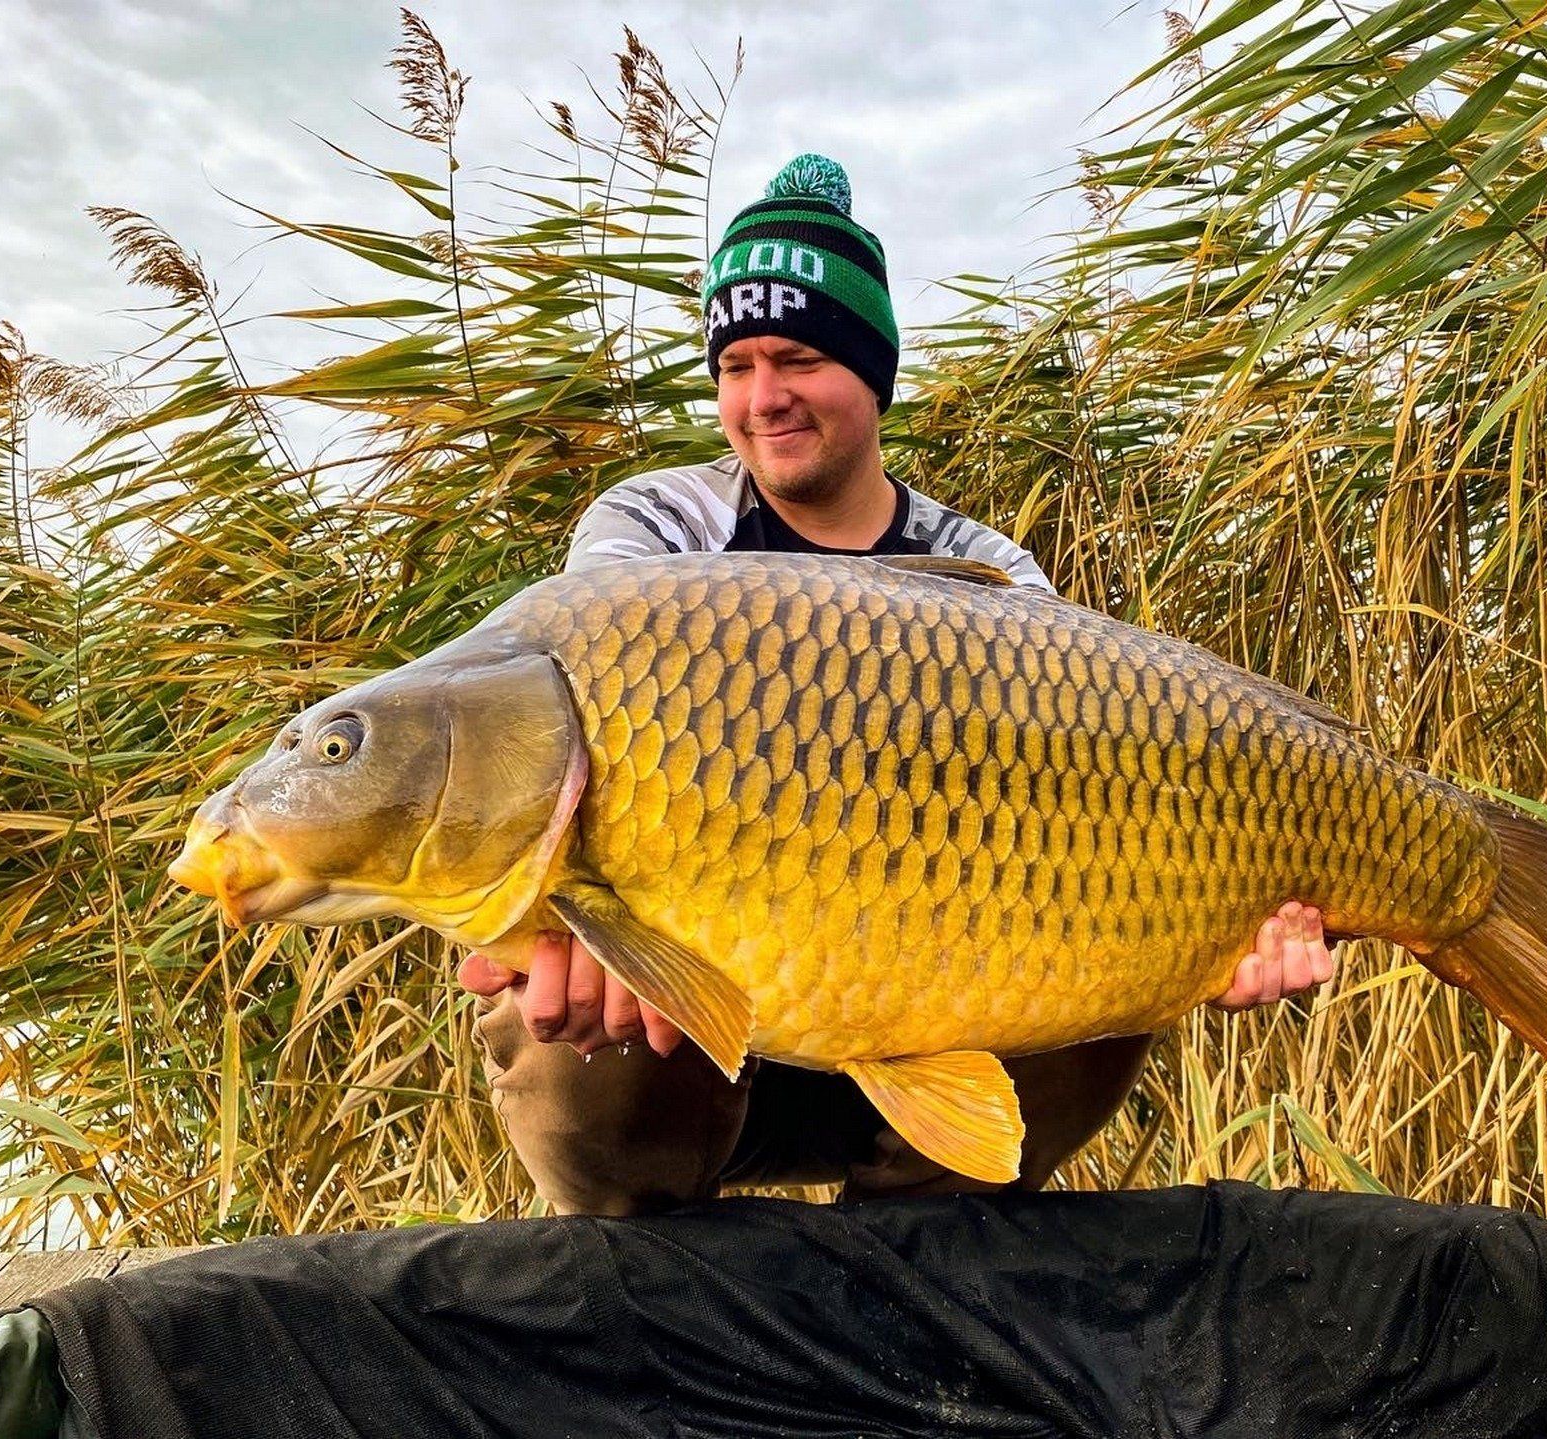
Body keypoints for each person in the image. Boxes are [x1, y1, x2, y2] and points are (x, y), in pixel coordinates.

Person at [461, 154, 1336, 1215]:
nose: (762, 396)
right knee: (561, 973)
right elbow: (600, 690)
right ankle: (652, 1273)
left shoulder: (991, 571)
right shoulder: (654, 531)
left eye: (797, 358)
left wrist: (1212, 933)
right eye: (734, 365)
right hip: (694, 1039)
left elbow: (1092, 783)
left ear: (872, 372)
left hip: (926, 999)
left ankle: (920, 1258)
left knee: (1118, 971)